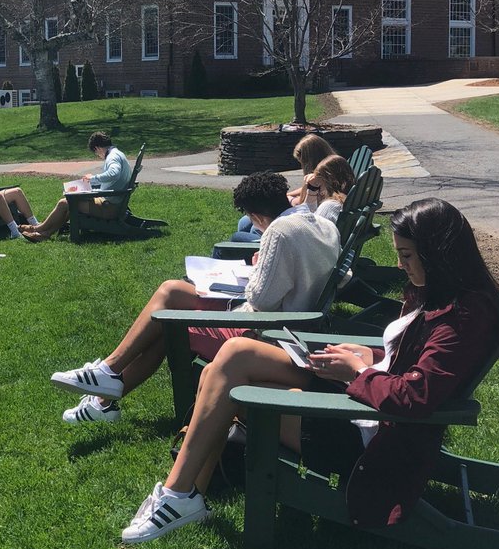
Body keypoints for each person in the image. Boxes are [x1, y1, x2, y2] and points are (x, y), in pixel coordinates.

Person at [117, 197, 499, 545]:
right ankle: (185, 494)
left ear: (438, 254)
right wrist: (371, 359)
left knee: (224, 383)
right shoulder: (444, 296)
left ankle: (180, 495)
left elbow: (416, 396)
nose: (401, 266)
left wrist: (356, 373)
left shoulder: (464, 316)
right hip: (366, 407)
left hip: (369, 437)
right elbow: (418, 367)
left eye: (406, 256)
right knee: (232, 356)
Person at [50, 170, 340, 424]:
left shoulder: (280, 230)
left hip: (266, 332)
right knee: (172, 289)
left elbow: (261, 299)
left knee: (170, 323)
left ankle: (106, 392)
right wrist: (263, 264)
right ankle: (108, 376)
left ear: (255, 217)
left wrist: (259, 267)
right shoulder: (319, 222)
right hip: (291, 325)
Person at [21, 131, 131, 242]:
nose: (99, 156)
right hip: (112, 202)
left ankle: (37, 228)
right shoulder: (117, 154)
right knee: (70, 205)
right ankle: (45, 234)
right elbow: (113, 181)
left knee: (64, 203)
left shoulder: (112, 157)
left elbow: (114, 173)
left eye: (96, 153)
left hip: (109, 208)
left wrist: (92, 178)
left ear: (97, 148)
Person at [229, 133, 335, 243]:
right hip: (300, 222)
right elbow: (305, 189)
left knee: (247, 232)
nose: (301, 166)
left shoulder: (320, 180)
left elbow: (306, 204)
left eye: (301, 162)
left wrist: (292, 200)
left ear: (309, 160)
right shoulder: (322, 175)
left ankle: (251, 250)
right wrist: (289, 195)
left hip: (293, 231)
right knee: (245, 222)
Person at [304, 154, 355, 225]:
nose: (317, 182)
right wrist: (312, 189)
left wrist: (311, 188)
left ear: (331, 180)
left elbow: (307, 222)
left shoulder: (330, 206)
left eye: (319, 178)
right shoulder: (350, 199)